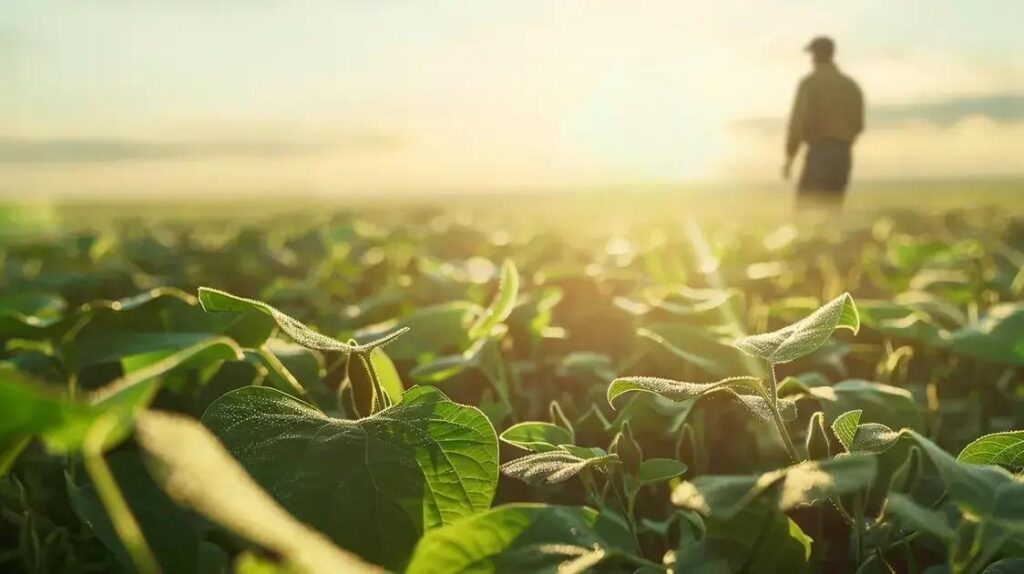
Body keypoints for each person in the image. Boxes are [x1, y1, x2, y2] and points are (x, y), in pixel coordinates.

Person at [783, 36, 864, 209]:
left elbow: (797, 123)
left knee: (806, 209)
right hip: (843, 154)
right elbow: (859, 125)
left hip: (819, 152)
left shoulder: (809, 84)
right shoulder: (851, 86)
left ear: (816, 55)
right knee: (834, 210)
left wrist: (790, 158)